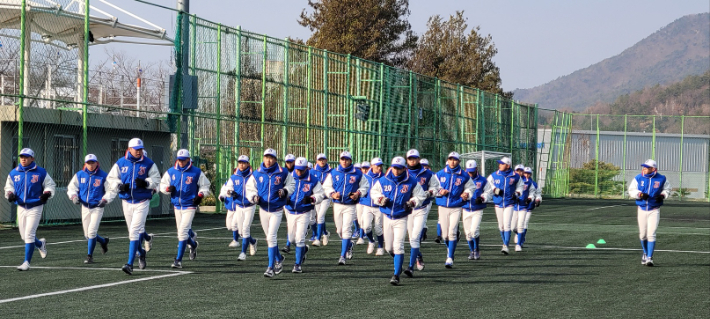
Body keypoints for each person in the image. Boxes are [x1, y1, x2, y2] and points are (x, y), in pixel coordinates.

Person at [106, 138, 161, 275]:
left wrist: (146, 183)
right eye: (136, 149)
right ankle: (141, 253)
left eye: (140, 149)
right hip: (126, 202)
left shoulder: (149, 163)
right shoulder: (121, 163)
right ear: (129, 149)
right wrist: (119, 185)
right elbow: (111, 179)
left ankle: (129, 264)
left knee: (134, 231)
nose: (139, 151)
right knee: (132, 231)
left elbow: (156, 180)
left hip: (142, 201)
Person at [370, 157, 426, 285]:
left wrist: (413, 202)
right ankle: (398, 265)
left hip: (401, 217)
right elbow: (373, 192)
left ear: (404, 168)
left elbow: (421, 196)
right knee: (389, 248)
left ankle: (396, 275)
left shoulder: (411, 181)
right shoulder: (384, 180)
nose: (396, 170)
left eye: (399, 168)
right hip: (387, 217)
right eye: (395, 167)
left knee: (398, 245)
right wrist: (380, 199)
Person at [245, 148, 295, 278]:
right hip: (263, 210)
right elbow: (250, 189)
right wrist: (254, 197)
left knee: (271, 237)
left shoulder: (283, 172)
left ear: (275, 159)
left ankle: (270, 267)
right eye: (266, 157)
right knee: (269, 238)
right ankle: (279, 258)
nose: (268, 160)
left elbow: (292, 185)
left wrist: (285, 190)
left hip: (276, 210)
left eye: (271, 157)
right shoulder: (257, 173)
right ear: (263, 158)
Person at [5, 148, 55, 271]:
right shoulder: (14, 173)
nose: (23, 159)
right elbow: (9, 186)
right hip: (21, 206)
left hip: (36, 206)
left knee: (29, 234)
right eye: (21, 156)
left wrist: (47, 193)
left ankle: (26, 262)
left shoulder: (41, 172)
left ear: (32, 158)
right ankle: (40, 244)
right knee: (24, 236)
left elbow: (50, 184)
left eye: (26, 157)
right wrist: (10, 194)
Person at [160, 149, 211, 269]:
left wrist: (200, 195)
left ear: (188, 159)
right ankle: (193, 245)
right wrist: (167, 189)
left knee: (182, 232)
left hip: (190, 205)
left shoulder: (196, 172)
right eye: (179, 160)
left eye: (184, 160)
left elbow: (205, 186)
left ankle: (178, 260)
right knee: (182, 233)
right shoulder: (171, 171)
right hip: (177, 206)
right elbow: (162, 185)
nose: (181, 162)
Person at [322, 151, 369, 265]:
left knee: (347, 229)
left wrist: (358, 193)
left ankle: (342, 256)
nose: (344, 161)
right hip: (337, 204)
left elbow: (365, 186)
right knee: (339, 230)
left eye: (347, 159)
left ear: (350, 161)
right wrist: (332, 193)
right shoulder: (334, 172)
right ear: (339, 160)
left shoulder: (357, 173)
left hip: (350, 205)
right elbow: (326, 186)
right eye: (342, 159)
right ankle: (349, 245)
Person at [67, 154, 113, 264]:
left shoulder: (103, 176)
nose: (91, 165)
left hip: (97, 207)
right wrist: (73, 196)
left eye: (93, 163)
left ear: (97, 163)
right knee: (87, 235)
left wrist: (105, 199)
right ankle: (103, 241)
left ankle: (89, 256)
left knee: (92, 232)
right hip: (85, 206)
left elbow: (110, 190)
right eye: (89, 163)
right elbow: (71, 188)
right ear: (85, 164)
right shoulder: (79, 175)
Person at [434, 152, 474, 268]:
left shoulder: (464, 175)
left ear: (459, 162)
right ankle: (450, 248)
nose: (452, 161)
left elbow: (471, 188)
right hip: (442, 206)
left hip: (456, 206)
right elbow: (434, 187)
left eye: (455, 159)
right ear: (447, 160)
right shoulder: (440, 174)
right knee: (445, 235)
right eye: (450, 159)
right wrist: (440, 191)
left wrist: (467, 194)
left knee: (452, 232)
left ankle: (450, 257)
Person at [284, 157, 325, 273]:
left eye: (302, 169)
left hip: (304, 212)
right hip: (291, 211)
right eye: (297, 169)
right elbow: (280, 190)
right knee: (291, 238)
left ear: (307, 168)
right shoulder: (289, 177)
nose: (299, 172)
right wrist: (284, 198)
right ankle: (303, 250)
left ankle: (297, 265)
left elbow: (320, 194)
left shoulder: (313, 179)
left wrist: (312, 198)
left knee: (300, 239)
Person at [627, 159, 670, 267]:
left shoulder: (662, 178)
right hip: (641, 209)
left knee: (651, 234)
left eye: (647, 167)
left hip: (654, 210)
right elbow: (631, 190)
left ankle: (650, 258)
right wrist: (640, 194)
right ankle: (645, 253)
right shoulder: (638, 178)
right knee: (642, 235)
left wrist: (662, 195)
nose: (644, 168)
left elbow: (667, 189)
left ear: (653, 169)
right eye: (644, 167)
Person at [405, 149, 441, 273]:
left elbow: (436, 188)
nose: (412, 160)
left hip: (421, 208)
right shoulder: (402, 172)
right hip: (408, 209)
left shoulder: (428, 173)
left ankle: (410, 267)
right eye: (410, 158)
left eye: (414, 158)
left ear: (419, 159)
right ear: (407, 159)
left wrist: (430, 192)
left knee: (415, 238)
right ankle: (418, 255)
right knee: (411, 240)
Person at [481, 157, 525, 255]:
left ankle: (506, 245)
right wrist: (494, 189)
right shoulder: (494, 175)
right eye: (500, 163)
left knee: (507, 224)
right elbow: (487, 184)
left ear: (508, 165)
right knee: (501, 226)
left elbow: (520, 186)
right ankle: (504, 243)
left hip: (509, 203)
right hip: (498, 203)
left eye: (502, 164)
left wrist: (517, 193)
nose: (499, 165)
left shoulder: (515, 176)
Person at [220, 155, 258, 261]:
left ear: (248, 164)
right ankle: (253, 241)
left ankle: (243, 253)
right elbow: (228, 189)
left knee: (245, 229)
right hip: (239, 206)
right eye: (240, 162)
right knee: (241, 232)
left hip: (250, 206)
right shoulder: (234, 177)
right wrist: (230, 193)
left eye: (244, 162)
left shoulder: (253, 176)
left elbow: (258, 188)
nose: (241, 164)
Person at [358, 158, 385, 255]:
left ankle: (381, 247)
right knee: (366, 227)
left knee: (378, 228)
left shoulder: (384, 178)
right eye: (377, 165)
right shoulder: (364, 177)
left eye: (380, 165)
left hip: (379, 207)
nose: (379, 167)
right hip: (367, 206)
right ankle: (371, 241)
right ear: (372, 166)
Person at [462, 160, 487, 260]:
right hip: (466, 208)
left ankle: (476, 249)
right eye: (469, 171)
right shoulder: (462, 179)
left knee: (474, 231)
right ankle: (472, 251)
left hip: (477, 209)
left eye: (472, 171)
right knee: (467, 233)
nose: (470, 173)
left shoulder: (483, 180)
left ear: (477, 169)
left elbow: (488, 192)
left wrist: (482, 198)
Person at [310, 153, 332, 246]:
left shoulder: (331, 171)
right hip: (317, 197)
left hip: (326, 197)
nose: (322, 161)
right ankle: (325, 234)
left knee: (320, 216)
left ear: (326, 160)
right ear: (316, 161)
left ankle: (318, 239)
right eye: (320, 160)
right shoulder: (312, 171)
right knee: (319, 217)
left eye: (323, 159)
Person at [517, 167, 541, 249]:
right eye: (525, 173)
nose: (527, 175)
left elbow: (538, 193)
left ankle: (521, 242)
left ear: (530, 174)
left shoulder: (533, 183)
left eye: (528, 173)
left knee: (524, 223)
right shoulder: (519, 181)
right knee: (515, 226)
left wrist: (538, 200)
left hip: (529, 206)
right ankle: (520, 235)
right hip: (518, 205)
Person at [354, 160, 371, 244]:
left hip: (368, 202)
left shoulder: (371, 177)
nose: (364, 170)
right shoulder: (359, 177)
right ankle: (363, 234)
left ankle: (361, 237)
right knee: (360, 220)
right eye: (363, 168)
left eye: (366, 168)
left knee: (365, 220)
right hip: (360, 200)